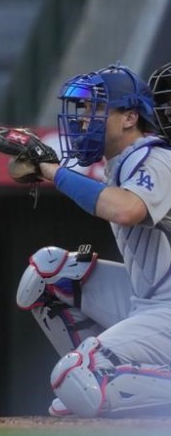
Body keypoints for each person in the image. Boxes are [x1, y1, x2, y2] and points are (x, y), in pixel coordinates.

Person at [14, 64, 171, 417]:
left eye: (95, 108)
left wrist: (52, 171)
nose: (83, 119)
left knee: (76, 377)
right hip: (148, 302)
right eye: (83, 110)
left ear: (130, 118)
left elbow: (126, 209)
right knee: (48, 272)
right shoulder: (123, 161)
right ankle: (98, 379)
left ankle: (94, 376)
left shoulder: (157, 157)